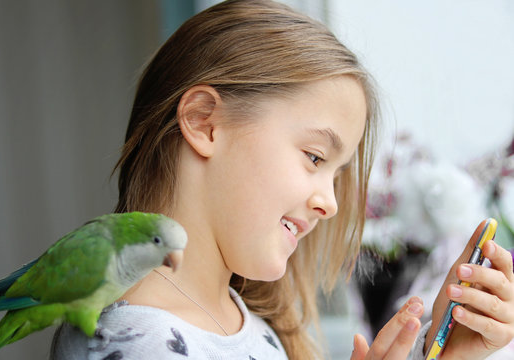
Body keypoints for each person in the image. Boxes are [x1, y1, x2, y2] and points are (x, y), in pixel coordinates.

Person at [51, 0, 514, 359]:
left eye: (338, 174)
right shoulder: (135, 342)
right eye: (315, 157)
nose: (330, 203)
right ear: (204, 122)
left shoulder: (243, 324)